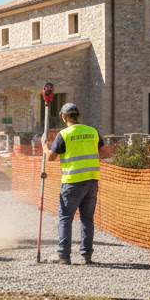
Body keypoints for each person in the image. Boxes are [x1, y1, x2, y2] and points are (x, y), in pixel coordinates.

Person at [45, 102, 100, 264]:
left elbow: (51, 157)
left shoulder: (64, 135)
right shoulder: (92, 131)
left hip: (72, 182)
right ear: (78, 116)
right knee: (87, 219)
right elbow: (104, 152)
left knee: (65, 218)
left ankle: (63, 255)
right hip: (91, 181)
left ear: (64, 116)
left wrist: (44, 146)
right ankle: (86, 255)